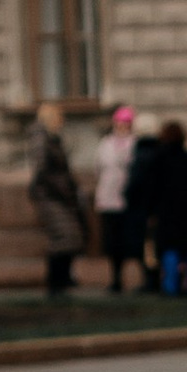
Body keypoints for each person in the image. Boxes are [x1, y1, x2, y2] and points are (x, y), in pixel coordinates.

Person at [133, 117, 187, 294]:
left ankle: (171, 286)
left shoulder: (159, 159)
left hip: (167, 212)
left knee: (169, 248)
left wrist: (149, 211)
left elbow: (152, 188)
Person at [25, 99, 84, 300]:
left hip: (57, 195)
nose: (63, 121)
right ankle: (55, 283)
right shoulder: (42, 138)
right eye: (61, 117)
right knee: (64, 237)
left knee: (69, 237)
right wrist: (58, 188)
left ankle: (62, 280)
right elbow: (42, 170)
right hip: (50, 196)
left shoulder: (50, 138)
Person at [91, 107, 139, 289]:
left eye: (125, 124)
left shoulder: (135, 143)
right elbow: (98, 169)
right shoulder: (106, 143)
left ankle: (134, 277)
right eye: (119, 123)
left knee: (129, 240)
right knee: (112, 241)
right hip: (108, 200)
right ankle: (116, 277)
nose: (121, 127)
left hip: (128, 200)